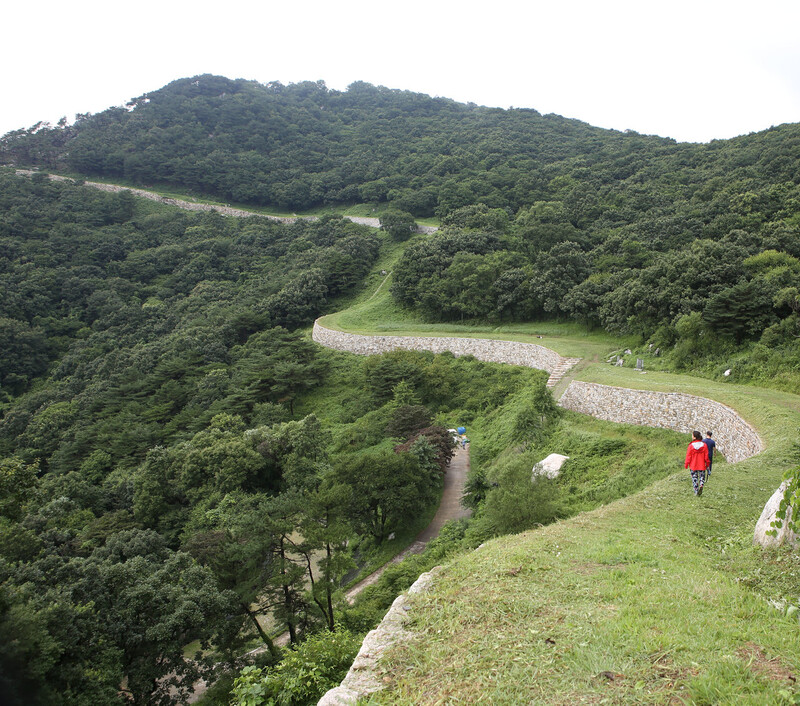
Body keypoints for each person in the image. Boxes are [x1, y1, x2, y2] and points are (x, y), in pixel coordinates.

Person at [685, 430, 710, 496]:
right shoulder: (704, 445)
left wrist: (686, 464)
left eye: (692, 435)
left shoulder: (691, 446)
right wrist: (707, 464)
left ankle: (696, 491)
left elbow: (688, 456)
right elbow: (706, 456)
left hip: (693, 465)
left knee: (694, 478)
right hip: (701, 465)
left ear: (694, 437)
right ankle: (701, 484)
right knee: (702, 476)